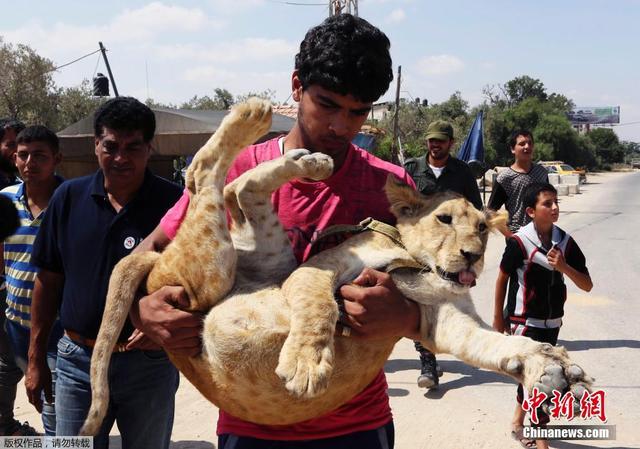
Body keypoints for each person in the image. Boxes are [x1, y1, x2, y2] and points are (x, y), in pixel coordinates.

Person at [131, 14, 422, 449]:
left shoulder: (392, 187)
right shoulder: (240, 170)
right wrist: (144, 312)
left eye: (357, 112)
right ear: (296, 85)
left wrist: (407, 317)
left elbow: (438, 289)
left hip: (355, 423)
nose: (342, 126)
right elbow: (154, 247)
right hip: (249, 420)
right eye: (327, 104)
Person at [26, 97, 185, 448]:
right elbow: (47, 281)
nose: (121, 158)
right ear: (95, 145)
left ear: (150, 148)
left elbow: (199, 282)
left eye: (133, 147)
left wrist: (162, 324)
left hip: (149, 365)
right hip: (76, 364)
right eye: (111, 146)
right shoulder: (68, 198)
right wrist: (36, 359)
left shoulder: (176, 205)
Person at [492, 182, 592, 449]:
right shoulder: (519, 242)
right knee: (541, 383)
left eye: (556, 202)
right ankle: (541, 443)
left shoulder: (565, 241)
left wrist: (564, 267)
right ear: (531, 211)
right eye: (547, 204)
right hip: (523, 322)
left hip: (553, 322)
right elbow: (502, 277)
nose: (555, 207)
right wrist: (498, 318)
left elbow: (587, 284)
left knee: (532, 378)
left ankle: (517, 422)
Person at [403, 119, 482, 389]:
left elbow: (476, 214)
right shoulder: (412, 169)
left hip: (453, 251)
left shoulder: (462, 173)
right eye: (431, 141)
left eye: (441, 141)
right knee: (421, 300)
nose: (435, 145)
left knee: (445, 301)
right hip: (421, 248)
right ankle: (428, 360)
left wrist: (474, 258)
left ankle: (441, 347)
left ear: (451, 143)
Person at [1, 126, 65, 436]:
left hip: (59, 329)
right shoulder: (4, 200)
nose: (30, 163)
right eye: (23, 156)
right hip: (14, 323)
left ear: (57, 159)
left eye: (40, 156)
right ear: (14, 160)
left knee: (55, 413)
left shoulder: (72, 202)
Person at [0, 118, 37, 437]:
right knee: (7, 365)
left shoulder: (65, 196)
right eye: (13, 147)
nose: (24, 158)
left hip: (49, 314)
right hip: (10, 304)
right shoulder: (5, 193)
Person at [487, 130, 548, 238]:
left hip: (542, 234)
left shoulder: (541, 173)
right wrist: (510, 236)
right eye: (522, 144)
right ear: (512, 149)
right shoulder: (505, 178)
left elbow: (548, 202)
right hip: (518, 235)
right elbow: (490, 212)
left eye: (530, 143)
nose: (527, 146)